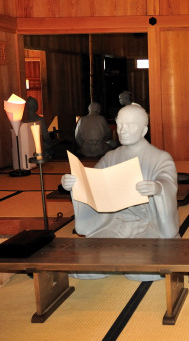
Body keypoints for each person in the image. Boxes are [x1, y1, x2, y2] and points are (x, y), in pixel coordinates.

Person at [61, 104, 180, 281]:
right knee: (86, 268)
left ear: (144, 130)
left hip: (147, 225)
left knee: (139, 273)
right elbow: (93, 184)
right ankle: (115, 261)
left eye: (130, 125)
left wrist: (157, 188)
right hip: (114, 224)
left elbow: (167, 182)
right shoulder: (111, 157)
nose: (122, 130)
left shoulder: (160, 158)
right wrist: (74, 184)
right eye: (120, 124)